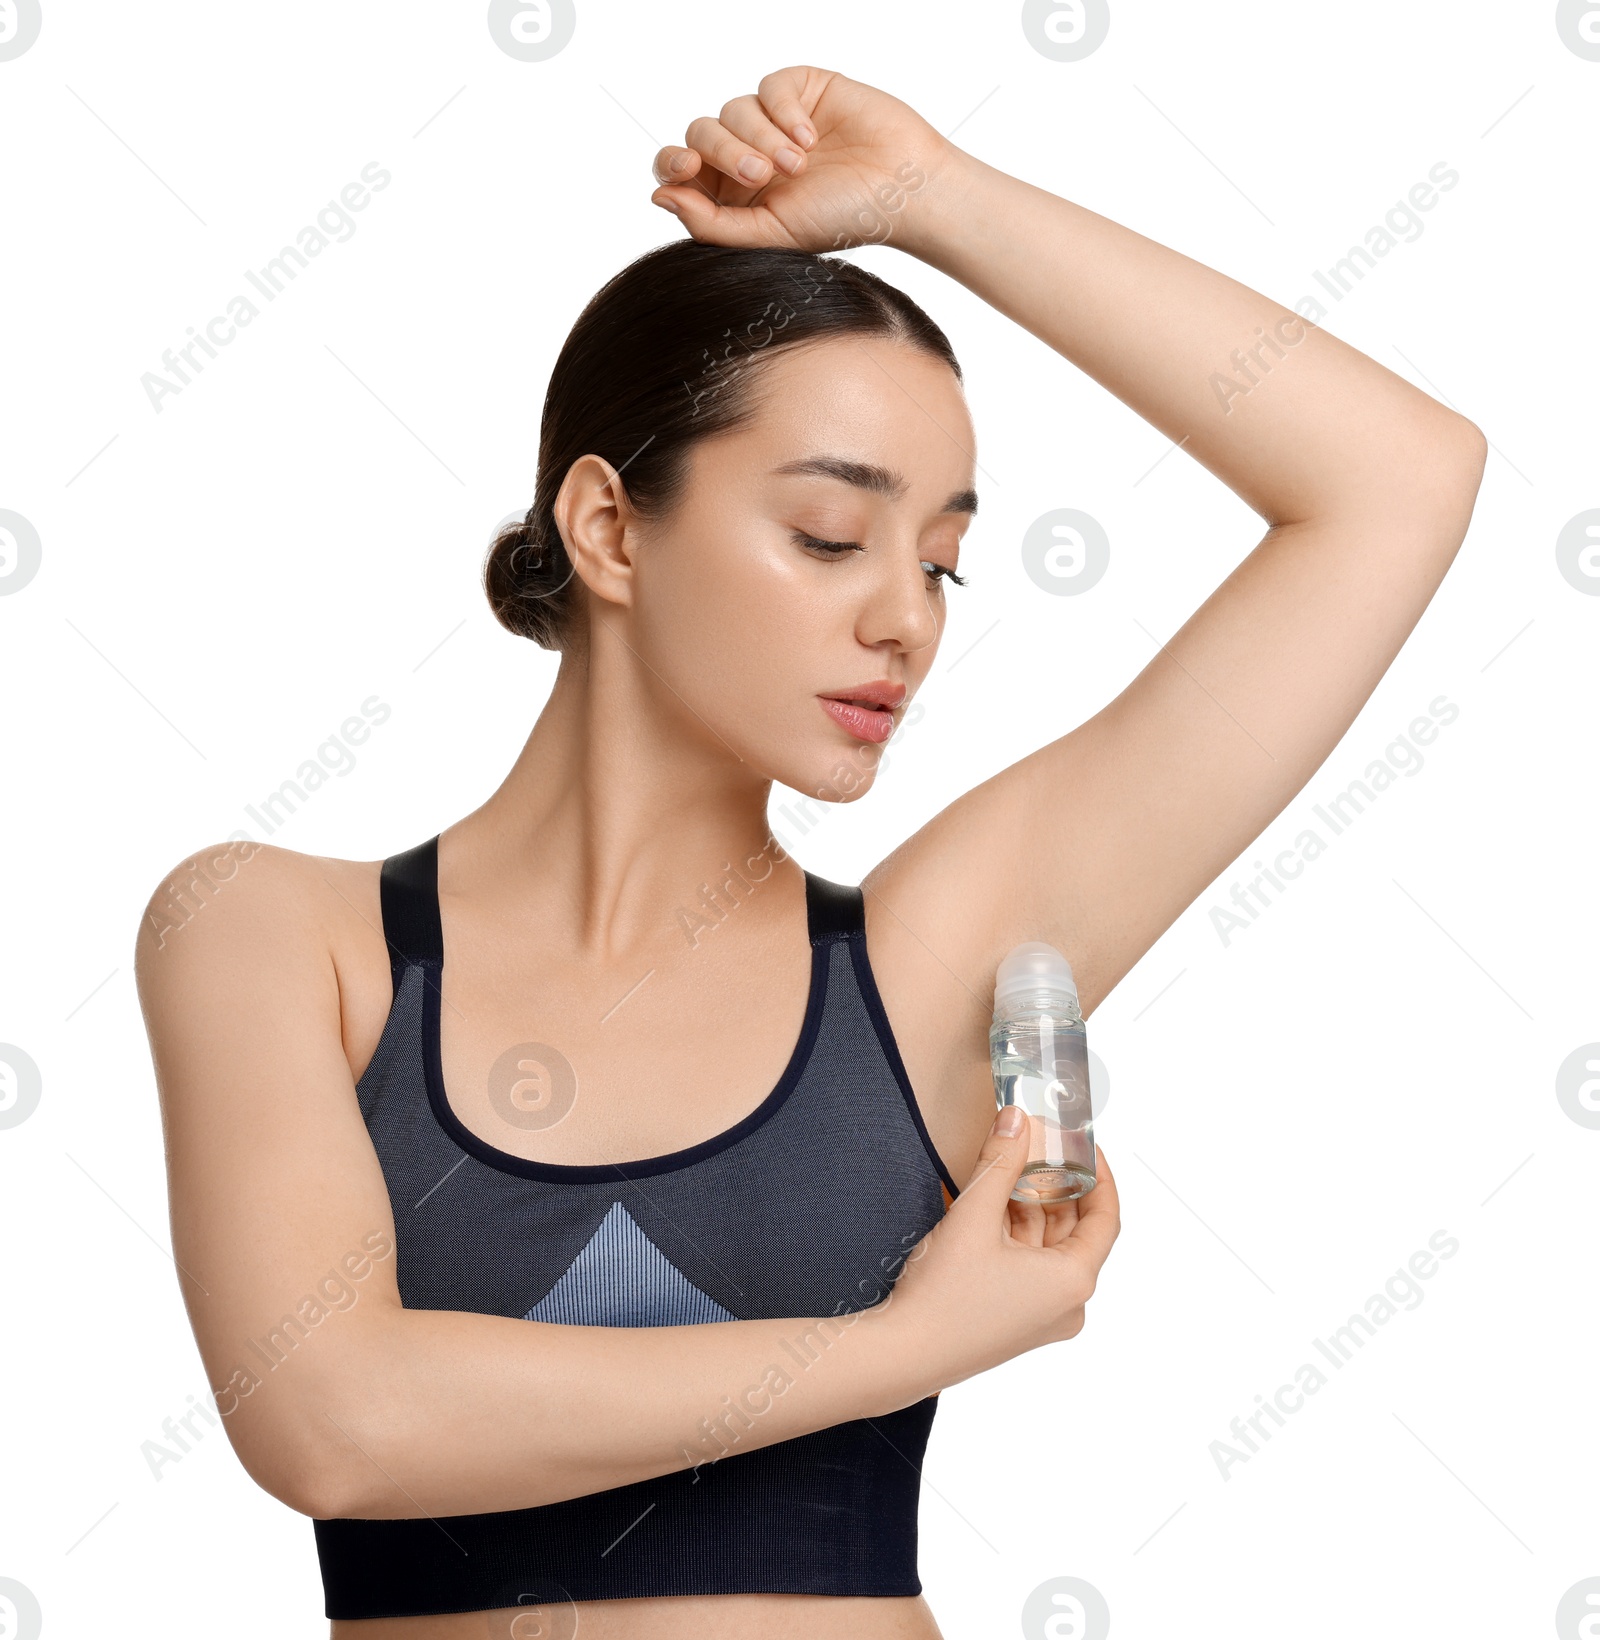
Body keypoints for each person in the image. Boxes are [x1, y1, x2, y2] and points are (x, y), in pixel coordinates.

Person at [135, 65, 1486, 1640]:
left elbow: (1400, 483)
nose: (904, 617)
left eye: (944, 565)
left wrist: (936, 200)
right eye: (832, 536)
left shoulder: (927, 962)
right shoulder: (272, 934)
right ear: (611, 528)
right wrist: (912, 1343)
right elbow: (334, 1424)